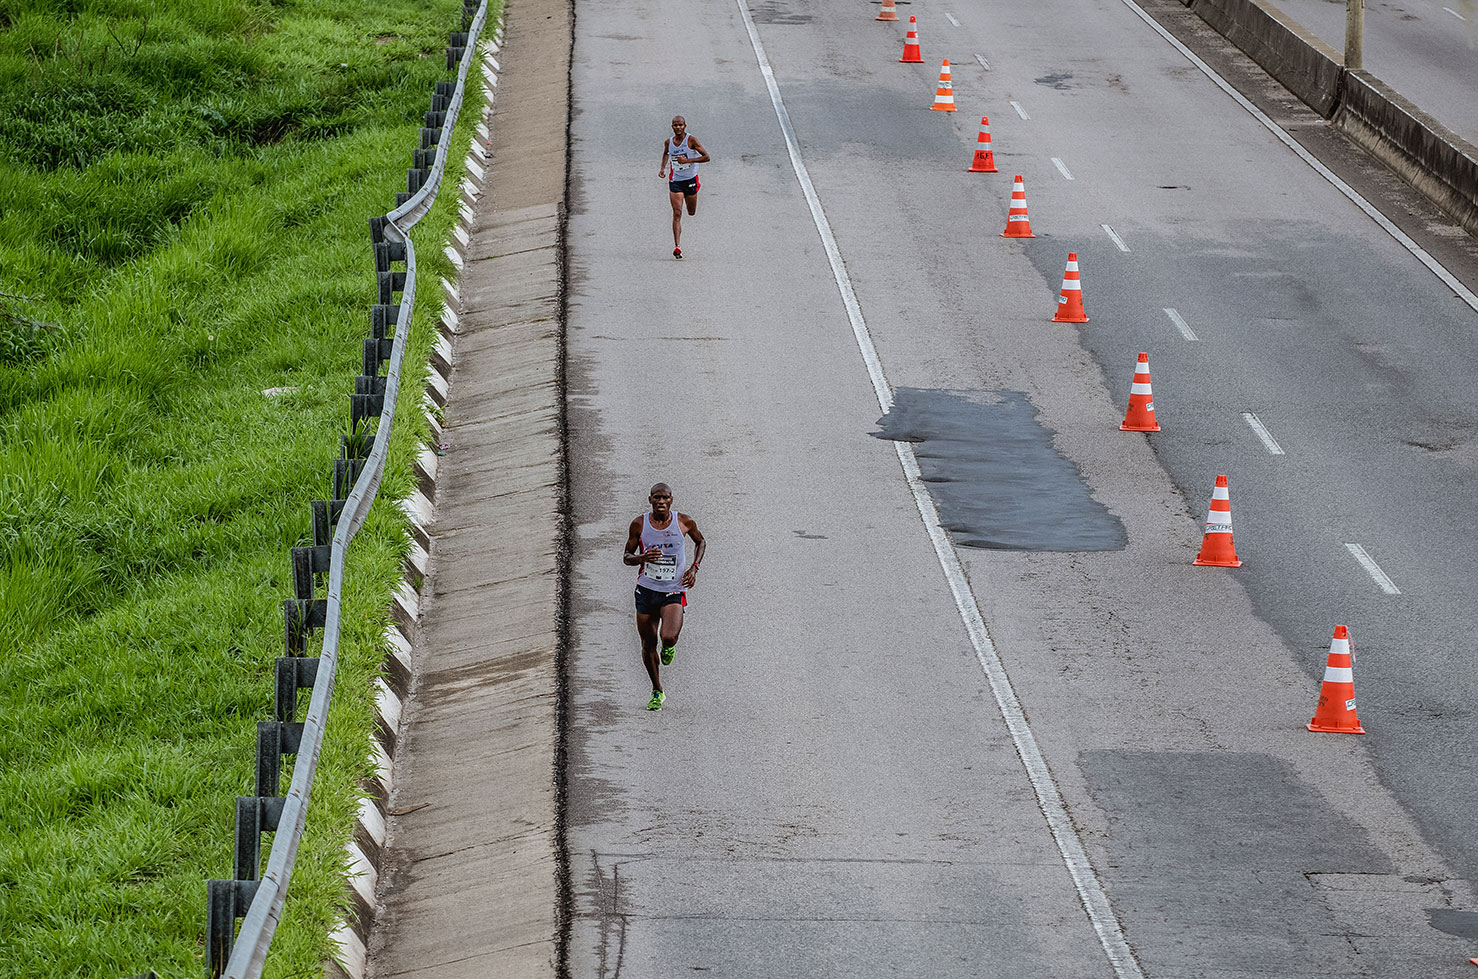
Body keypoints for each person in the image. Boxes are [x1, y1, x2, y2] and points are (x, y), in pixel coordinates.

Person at [623, 482, 706, 710]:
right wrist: (643, 558)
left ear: (671, 500)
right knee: (648, 644)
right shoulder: (639, 524)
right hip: (647, 590)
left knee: (667, 637)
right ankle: (657, 691)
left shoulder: (683, 522)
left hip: (673, 589)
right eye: (656, 498)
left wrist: (693, 568)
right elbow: (626, 556)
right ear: (650, 500)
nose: (661, 502)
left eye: (665, 498)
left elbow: (701, 541)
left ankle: (669, 646)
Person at [657, 116, 710, 260]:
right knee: (677, 212)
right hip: (676, 181)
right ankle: (677, 246)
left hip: (691, 181)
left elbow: (707, 157)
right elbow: (665, 154)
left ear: (685, 126)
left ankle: (692, 195)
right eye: (675, 125)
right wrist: (662, 169)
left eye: (680, 125)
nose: (678, 127)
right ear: (672, 127)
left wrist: (688, 160)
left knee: (691, 212)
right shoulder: (669, 142)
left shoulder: (691, 140)